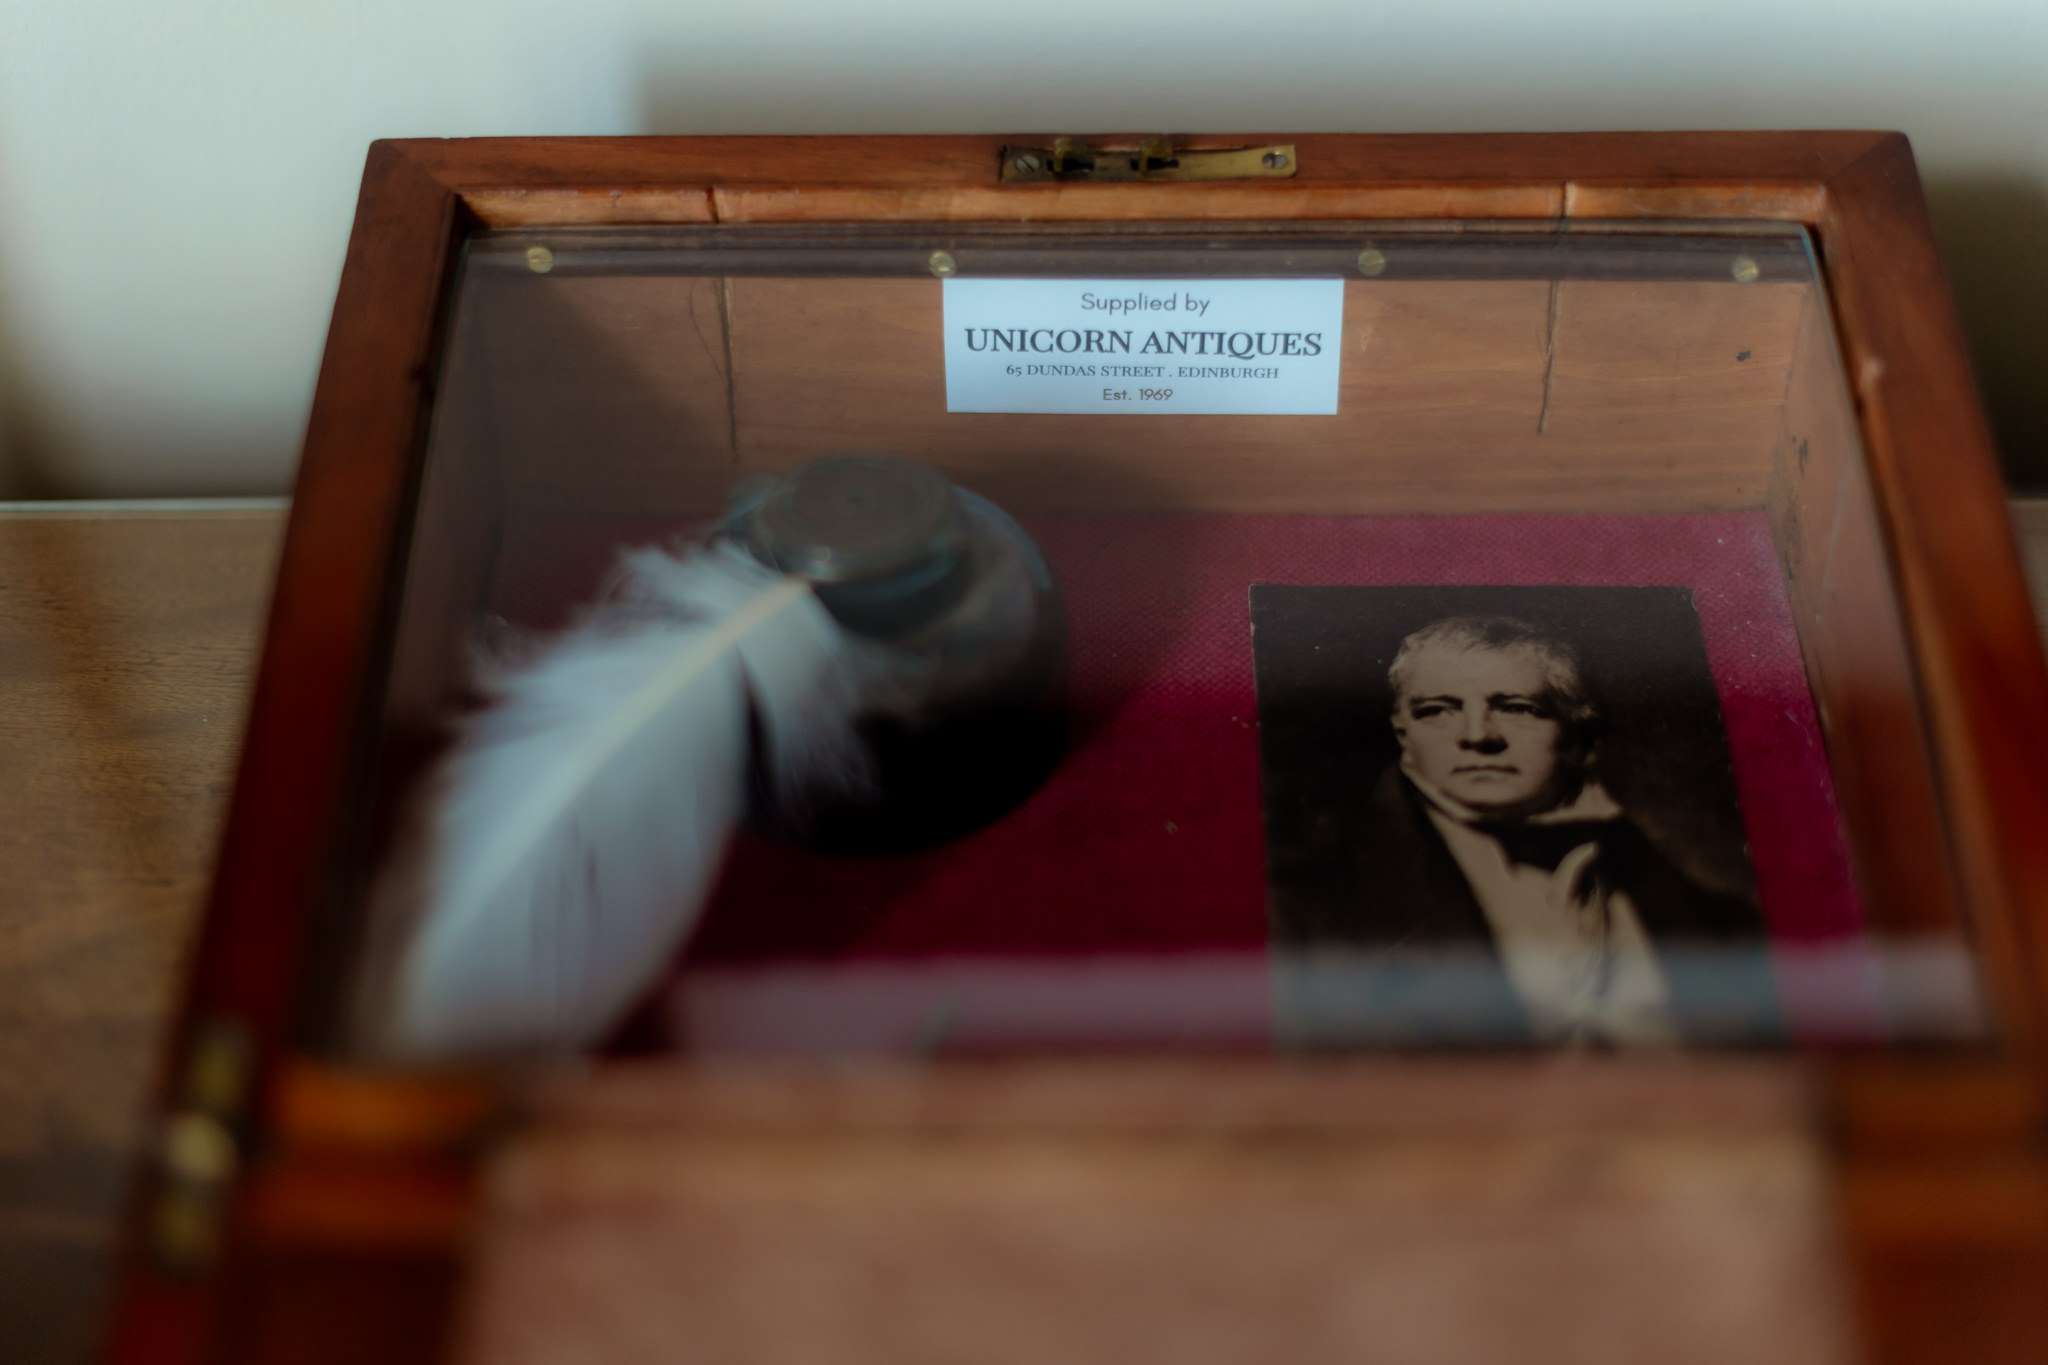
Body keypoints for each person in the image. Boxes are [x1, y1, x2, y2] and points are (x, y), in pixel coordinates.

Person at [1273, 615, 1773, 1046]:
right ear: (1405, 737)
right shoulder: (1308, 906)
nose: (1477, 736)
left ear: (1579, 739)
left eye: (1518, 708)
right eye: (1438, 712)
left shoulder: (1718, 919)